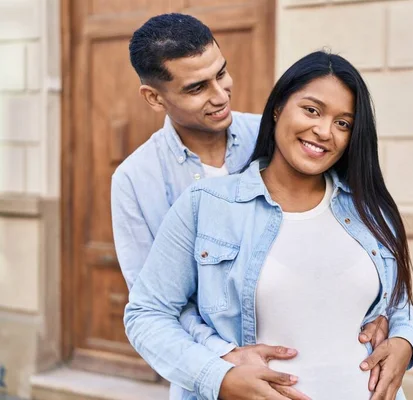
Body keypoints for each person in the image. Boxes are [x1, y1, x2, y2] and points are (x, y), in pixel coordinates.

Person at [112, 13, 397, 399]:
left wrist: (403, 336)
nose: (220, 95)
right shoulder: (138, 181)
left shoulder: (285, 139)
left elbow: (387, 276)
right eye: (197, 88)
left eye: (221, 73)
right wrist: (223, 364)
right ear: (154, 97)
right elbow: (154, 308)